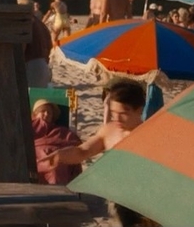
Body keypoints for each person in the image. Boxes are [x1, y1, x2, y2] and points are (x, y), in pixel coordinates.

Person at [40, 80, 152, 227]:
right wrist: (60, 156)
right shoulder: (109, 131)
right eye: (113, 113)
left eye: (124, 113)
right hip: (119, 198)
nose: (116, 118)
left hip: (146, 199)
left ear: (139, 110)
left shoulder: (149, 135)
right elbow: (82, 151)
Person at [30, 99, 80, 185]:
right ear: (35, 114)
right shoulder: (29, 127)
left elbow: (75, 144)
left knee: (56, 168)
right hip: (35, 159)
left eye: (49, 112)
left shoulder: (60, 131)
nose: (46, 114)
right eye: (43, 111)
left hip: (55, 161)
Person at [21, 0, 54, 88]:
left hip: (31, 65)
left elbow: (23, 46)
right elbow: (49, 45)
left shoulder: (27, 23)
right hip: (43, 64)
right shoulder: (40, 24)